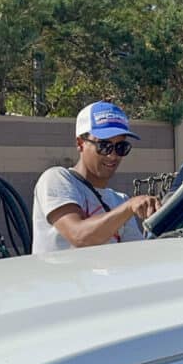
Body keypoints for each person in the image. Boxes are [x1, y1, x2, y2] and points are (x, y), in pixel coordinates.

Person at [31, 101, 159, 254]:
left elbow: (137, 256)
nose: (112, 155)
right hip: (63, 278)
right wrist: (129, 207)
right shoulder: (57, 178)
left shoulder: (119, 200)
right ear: (80, 144)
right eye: (104, 146)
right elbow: (79, 236)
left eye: (120, 147)